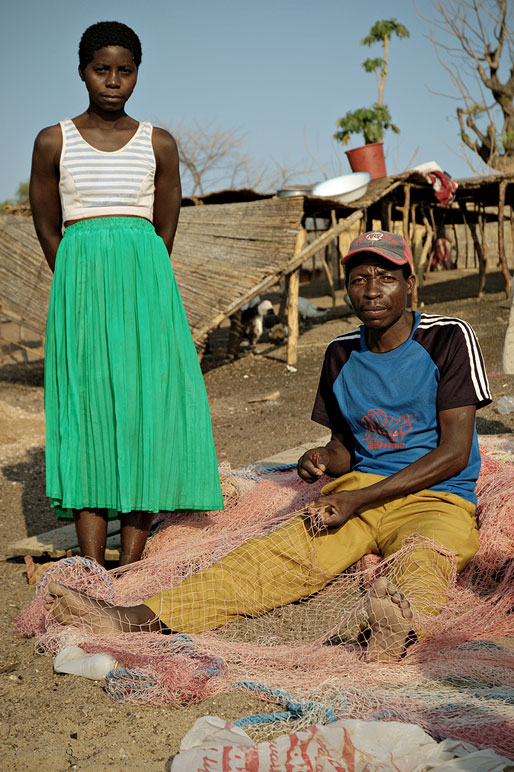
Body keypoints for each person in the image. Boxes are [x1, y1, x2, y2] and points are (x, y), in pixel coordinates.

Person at [44, 230, 491, 662]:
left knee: (425, 559)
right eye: (359, 279)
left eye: (387, 277)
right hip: (359, 495)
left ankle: (395, 630)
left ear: (410, 283)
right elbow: (347, 448)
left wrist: (359, 497)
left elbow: (454, 451)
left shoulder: (448, 337)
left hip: (437, 498)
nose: (372, 291)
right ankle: (137, 619)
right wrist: (320, 459)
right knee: (265, 559)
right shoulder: (340, 353)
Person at [30, 21, 223, 567]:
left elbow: (165, 225)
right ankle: (93, 567)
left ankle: (132, 563)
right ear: (82, 72)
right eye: (101, 69)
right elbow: (46, 223)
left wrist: (142, 279)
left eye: (125, 70)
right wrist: (76, 276)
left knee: (144, 408)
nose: (113, 81)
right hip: (81, 288)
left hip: (146, 288)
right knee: (88, 409)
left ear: (137, 73)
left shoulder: (158, 141)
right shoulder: (53, 140)